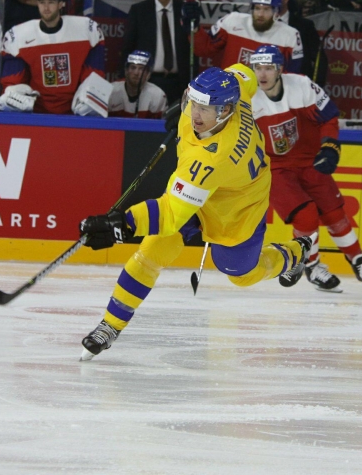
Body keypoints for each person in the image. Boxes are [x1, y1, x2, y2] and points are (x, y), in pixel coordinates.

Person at [77, 65, 315, 359]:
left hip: (238, 210)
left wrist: (122, 225)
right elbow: (245, 74)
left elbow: (170, 214)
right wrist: (186, 102)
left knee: (241, 274)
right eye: (194, 102)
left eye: (206, 108)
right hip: (202, 192)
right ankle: (110, 325)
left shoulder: (213, 157)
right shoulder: (234, 90)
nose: (196, 115)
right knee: (151, 253)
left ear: (226, 110)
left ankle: (294, 252)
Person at [250, 45, 362, 293]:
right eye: (258, 68)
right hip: (276, 168)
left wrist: (330, 147)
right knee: (306, 216)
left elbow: (328, 117)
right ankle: (312, 267)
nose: (263, 74)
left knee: (336, 213)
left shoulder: (301, 85)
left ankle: (359, 262)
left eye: (268, 68)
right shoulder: (247, 98)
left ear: (280, 69)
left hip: (308, 160)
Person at [0, 0, 106, 114]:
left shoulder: (86, 29)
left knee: (93, 100)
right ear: (37, 4)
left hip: (74, 112)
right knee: (9, 98)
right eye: (42, 2)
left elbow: (94, 78)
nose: (46, 7)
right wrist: (14, 93)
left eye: (51, 2)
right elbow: (12, 83)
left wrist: (90, 96)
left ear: (61, 4)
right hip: (36, 113)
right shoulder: (18, 35)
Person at [121, 0, 192, 103]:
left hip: (179, 82)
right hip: (147, 81)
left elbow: (193, 49)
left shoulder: (184, 10)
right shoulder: (139, 11)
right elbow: (128, 46)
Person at [194, 0, 303, 73]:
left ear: (276, 13)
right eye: (257, 8)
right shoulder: (232, 21)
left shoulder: (290, 36)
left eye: (266, 9)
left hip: (266, 99)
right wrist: (194, 29)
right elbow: (204, 48)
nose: (260, 14)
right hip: (229, 94)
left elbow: (291, 76)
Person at [266, 0, 327, 86]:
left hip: (295, 87)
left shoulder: (304, 26)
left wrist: (315, 88)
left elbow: (319, 59)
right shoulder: (258, 25)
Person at [109, 50, 168, 118]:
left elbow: (160, 126)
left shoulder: (158, 95)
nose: (136, 73)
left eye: (141, 69)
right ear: (126, 71)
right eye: (133, 67)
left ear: (148, 74)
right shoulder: (110, 91)